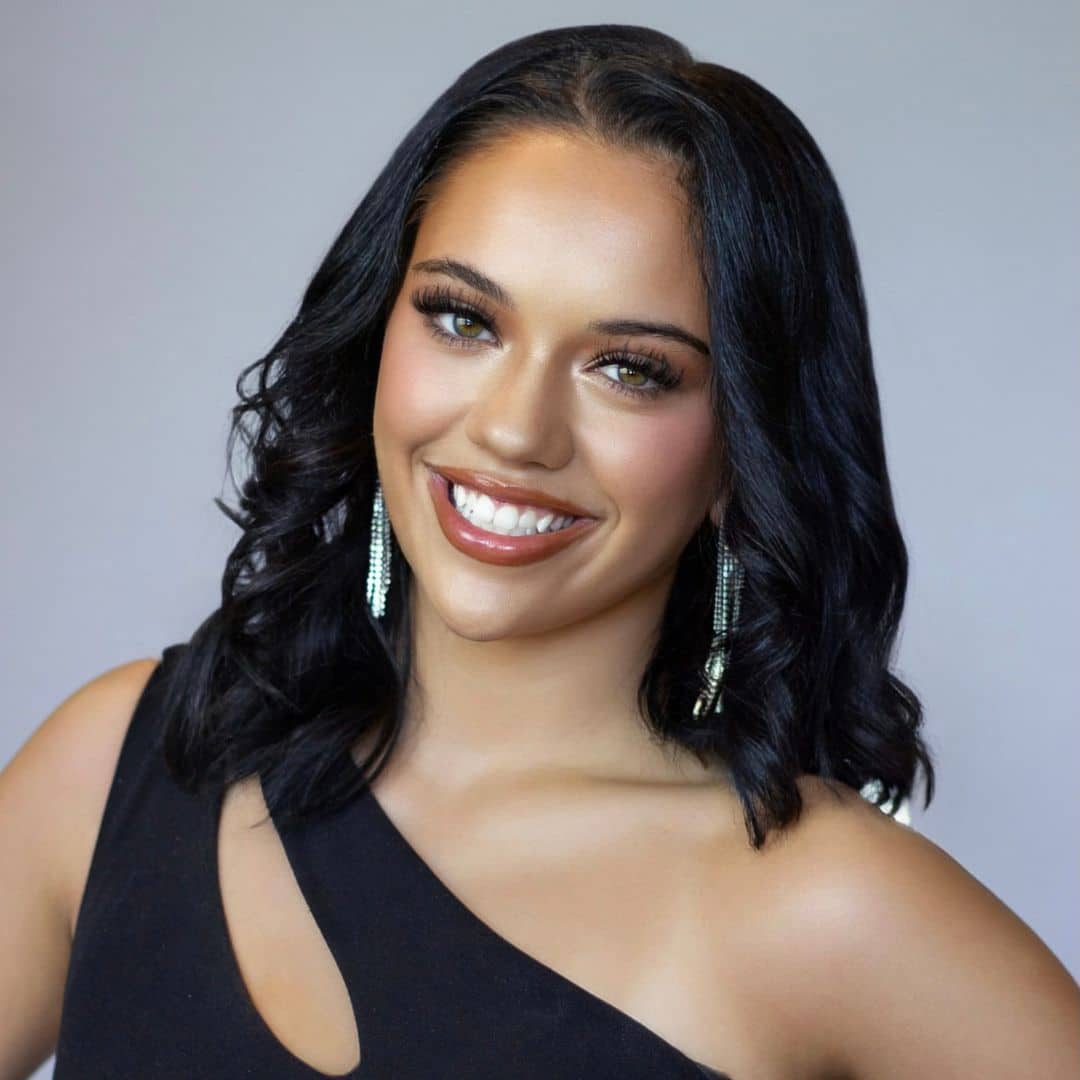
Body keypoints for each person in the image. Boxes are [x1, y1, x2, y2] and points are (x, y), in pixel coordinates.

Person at [3, 22, 1078, 1080]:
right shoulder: (122, 765)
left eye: (632, 369)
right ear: (376, 330)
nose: (517, 431)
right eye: (464, 319)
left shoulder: (828, 912)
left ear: (743, 452)